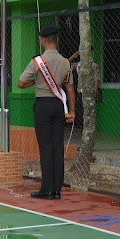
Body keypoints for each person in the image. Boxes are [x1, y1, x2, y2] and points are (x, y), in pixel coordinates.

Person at [18, 25, 75, 199]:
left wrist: (37, 82)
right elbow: (70, 88)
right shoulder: (66, 61)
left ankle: (46, 189)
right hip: (59, 105)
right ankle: (56, 190)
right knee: (58, 146)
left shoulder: (37, 62)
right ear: (56, 41)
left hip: (43, 104)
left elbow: (20, 83)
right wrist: (72, 111)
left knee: (46, 147)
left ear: (43, 40)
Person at [68, 47, 101, 129]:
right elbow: (66, 64)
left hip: (89, 92)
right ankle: (82, 133)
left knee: (88, 114)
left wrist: (95, 94)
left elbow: (96, 81)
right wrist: (74, 56)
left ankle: (89, 132)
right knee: (80, 113)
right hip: (80, 92)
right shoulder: (79, 64)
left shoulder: (93, 65)